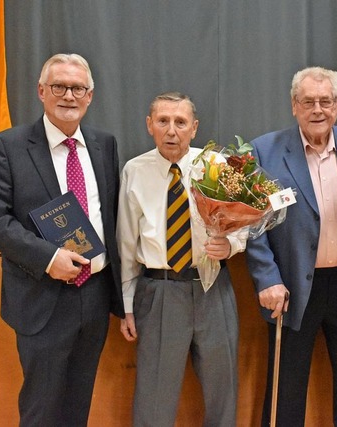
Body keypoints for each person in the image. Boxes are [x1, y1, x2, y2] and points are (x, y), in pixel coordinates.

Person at [0, 53, 123, 426]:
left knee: (78, 407)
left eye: (77, 88)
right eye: (59, 86)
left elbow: (111, 218)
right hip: (41, 298)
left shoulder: (104, 145)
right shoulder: (8, 145)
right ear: (41, 91)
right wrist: (47, 257)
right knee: (41, 410)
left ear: (90, 96)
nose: (68, 95)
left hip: (94, 296)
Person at [245, 66, 337, 426]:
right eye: (308, 101)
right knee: (285, 393)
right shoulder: (264, 151)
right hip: (290, 288)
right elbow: (252, 223)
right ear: (294, 105)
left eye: (326, 101)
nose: (318, 109)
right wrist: (267, 279)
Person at [117, 92, 246, 427]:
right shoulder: (135, 171)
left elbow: (243, 226)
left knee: (223, 390)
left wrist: (229, 246)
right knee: (154, 398)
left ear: (194, 127)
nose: (171, 130)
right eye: (163, 121)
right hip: (159, 291)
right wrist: (127, 304)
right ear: (150, 125)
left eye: (180, 122)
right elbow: (127, 244)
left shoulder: (215, 166)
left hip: (212, 286)